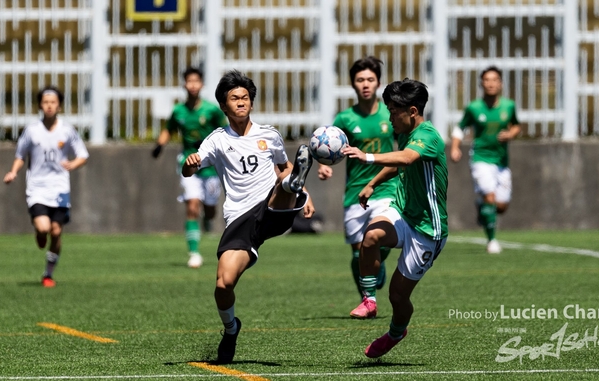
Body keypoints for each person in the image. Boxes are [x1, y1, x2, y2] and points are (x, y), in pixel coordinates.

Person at [181, 70, 315, 364]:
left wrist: (303, 190)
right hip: (241, 220)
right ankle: (231, 330)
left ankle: (294, 188)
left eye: (245, 98)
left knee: (285, 182)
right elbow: (190, 169)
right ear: (223, 106)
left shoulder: (270, 135)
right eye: (234, 98)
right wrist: (190, 164)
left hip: (270, 207)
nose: (241, 102)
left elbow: (283, 166)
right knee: (223, 285)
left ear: (251, 103)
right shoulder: (216, 140)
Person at [341, 78, 448, 358]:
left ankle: (396, 332)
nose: (389, 117)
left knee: (399, 296)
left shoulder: (428, 135)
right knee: (371, 236)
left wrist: (366, 157)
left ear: (412, 111)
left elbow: (408, 158)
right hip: (403, 212)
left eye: (393, 111)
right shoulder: (405, 133)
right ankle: (368, 299)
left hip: (427, 229)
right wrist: (372, 183)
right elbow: (397, 162)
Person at [317, 56, 398, 318]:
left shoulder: (390, 114)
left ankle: (373, 283)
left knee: (379, 239)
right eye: (360, 79)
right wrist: (325, 165)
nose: (365, 84)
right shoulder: (345, 118)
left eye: (370, 79)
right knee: (357, 252)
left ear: (378, 83)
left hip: (386, 187)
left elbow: (406, 145)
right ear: (353, 84)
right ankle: (368, 299)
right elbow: (330, 149)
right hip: (354, 192)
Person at [3, 86, 89, 288]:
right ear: (40, 105)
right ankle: (40, 233)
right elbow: (20, 155)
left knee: (57, 232)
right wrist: (13, 172)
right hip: (37, 188)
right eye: (45, 102)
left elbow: (83, 155)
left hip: (59, 188)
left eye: (53, 102)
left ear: (59, 105)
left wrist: (72, 164)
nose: (49, 106)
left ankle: (48, 274)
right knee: (44, 228)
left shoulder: (67, 130)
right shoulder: (32, 130)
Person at [152, 67, 228, 268]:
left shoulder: (211, 110)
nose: (193, 85)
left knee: (210, 209)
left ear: (202, 85)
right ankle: (194, 252)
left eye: (196, 81)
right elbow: (168, 130)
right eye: (189, 81)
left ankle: (208, 219)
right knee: (192, 205)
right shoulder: (179, 111)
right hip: (188, 163)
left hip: (210, 164)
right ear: (184, 85)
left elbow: (225, 130)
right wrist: (160, 145)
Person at [449, 66, 521, 254]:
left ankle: (483, 208)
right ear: (481, 83)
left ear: (501, 83)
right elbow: (460, 128)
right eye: (487, 80)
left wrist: (510, 134)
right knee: (490, 197)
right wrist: (455, 147)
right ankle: (492, 241)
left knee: (501, 206)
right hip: (480, 158)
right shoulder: (474, 108)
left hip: (502, 162)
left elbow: (516, 126)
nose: (490, 83)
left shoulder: (509, 106)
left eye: (494, 79)